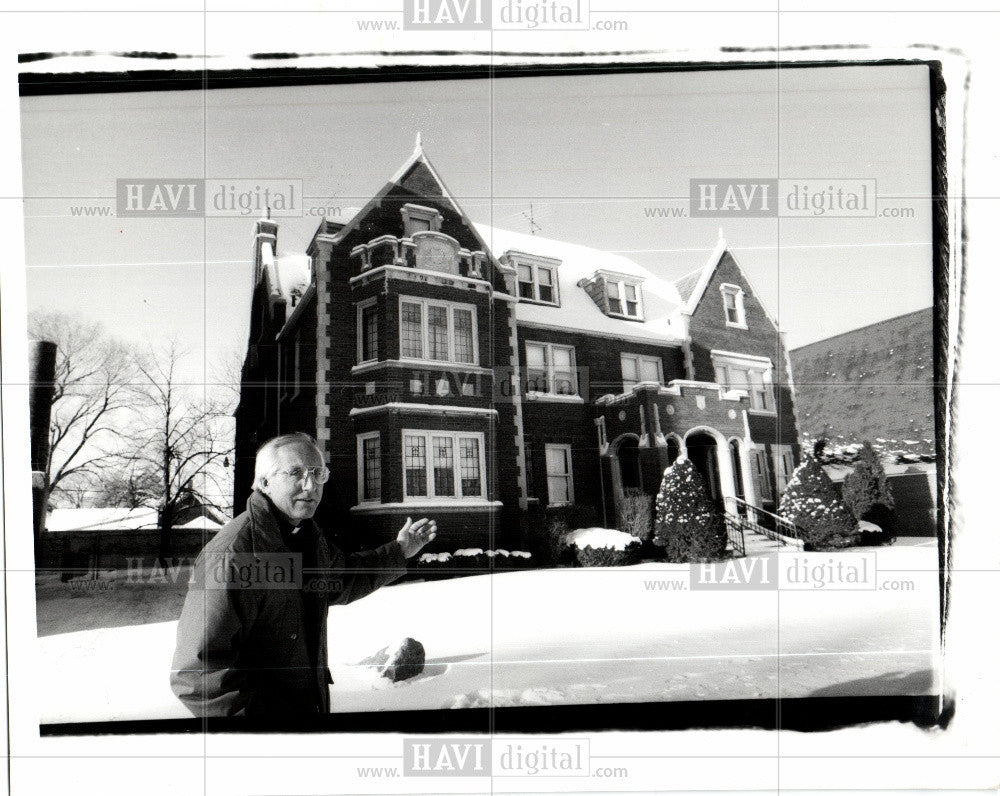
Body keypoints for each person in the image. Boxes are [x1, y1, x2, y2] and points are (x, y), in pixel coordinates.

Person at [170, 432, 436, 718]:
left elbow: (343, 579)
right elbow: (197, 675)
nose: (310, 486)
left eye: (317, 473)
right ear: (264, 482)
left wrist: (399, 551)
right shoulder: (235, 554)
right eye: (295, 473)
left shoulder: (304, 538)